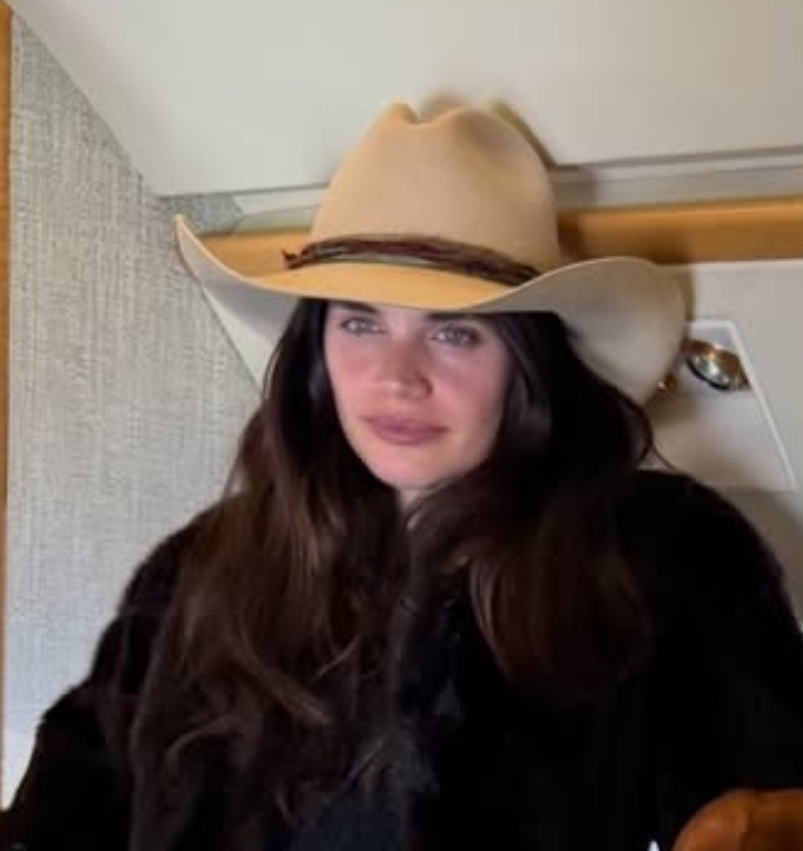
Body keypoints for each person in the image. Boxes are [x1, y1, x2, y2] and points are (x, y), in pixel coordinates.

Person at [1, 102, 803, 851]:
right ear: (316, 352)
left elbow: (767, 808)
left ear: (527, 365)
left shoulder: (657, 560)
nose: (396, 377)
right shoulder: (200, 572)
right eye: (359, 322)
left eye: (454, 333)